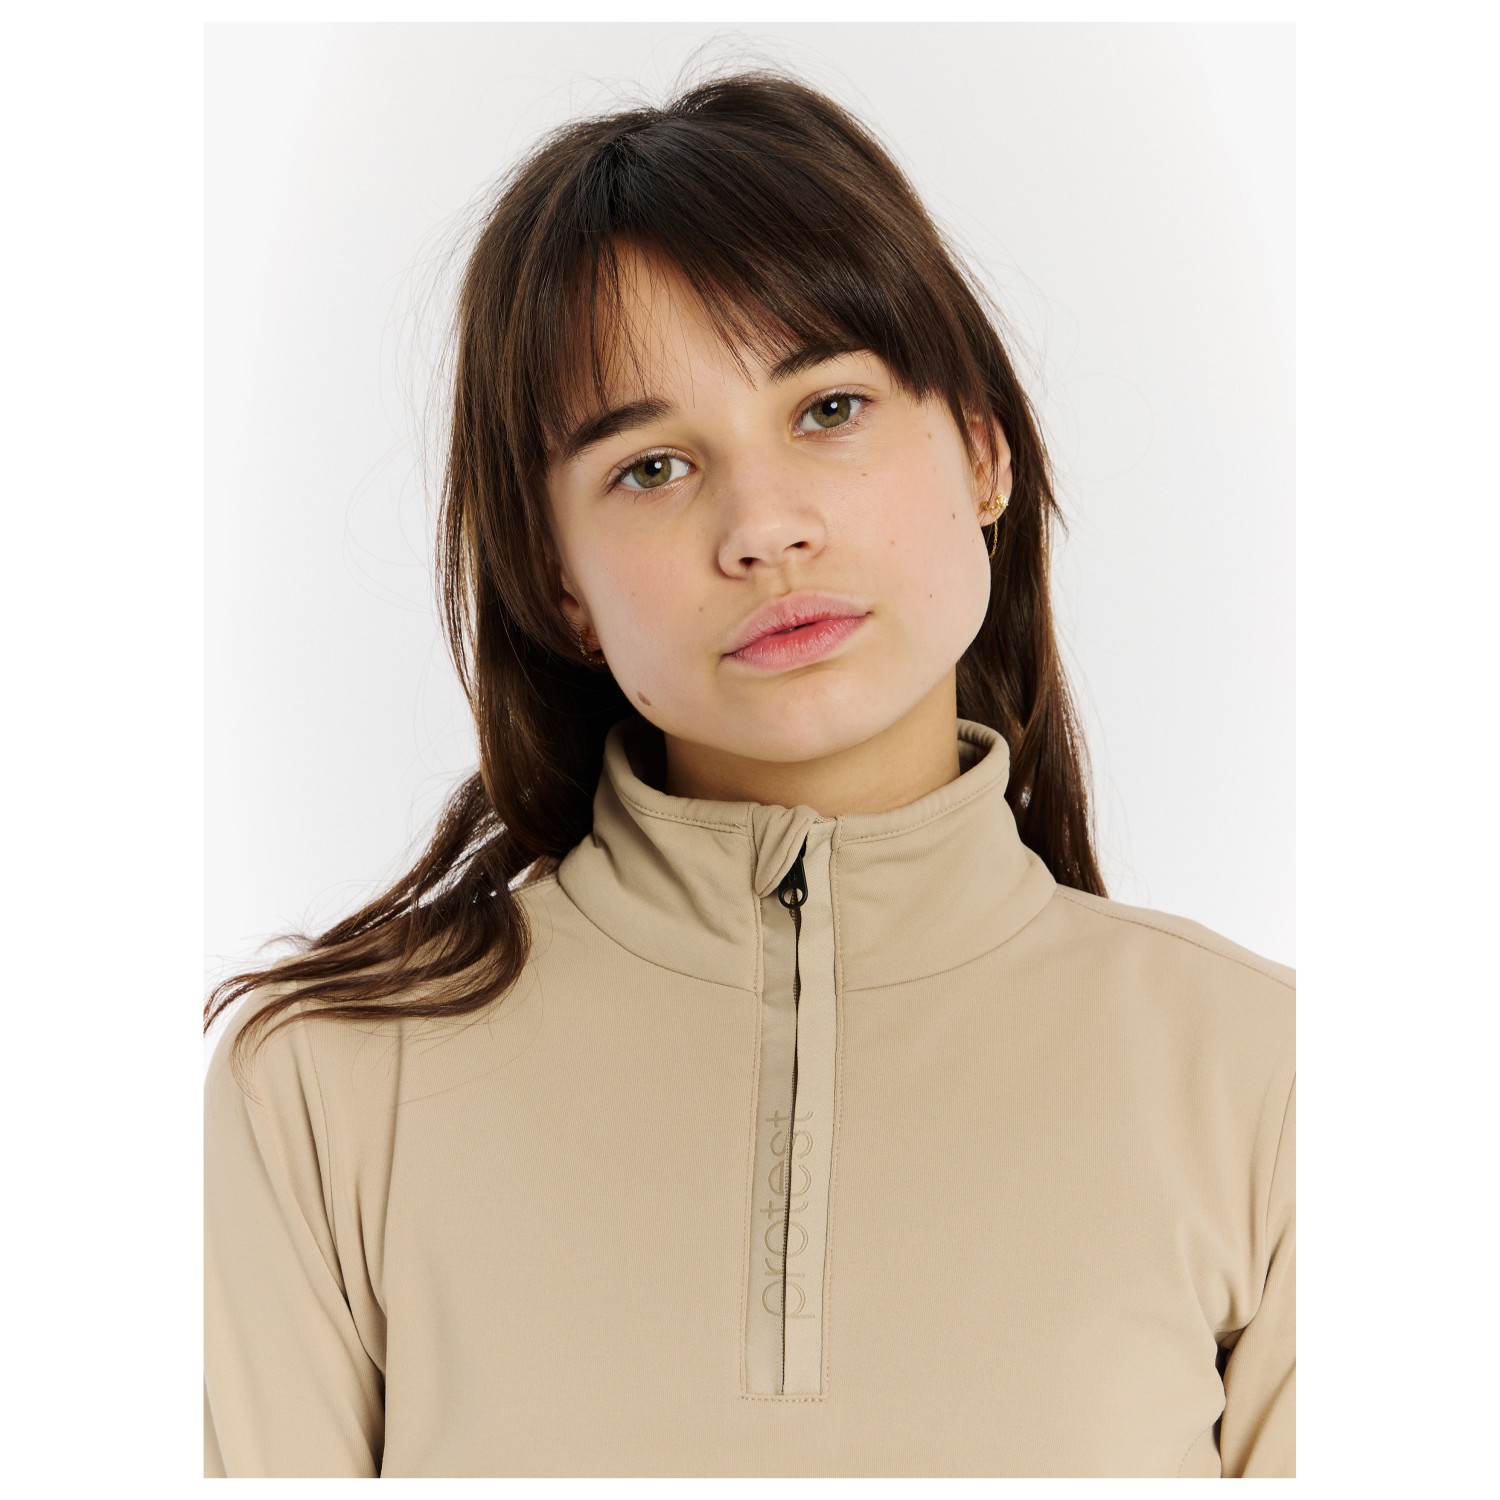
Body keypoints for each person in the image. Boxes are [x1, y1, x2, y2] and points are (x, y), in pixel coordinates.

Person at [203, 66, 1293, 1479]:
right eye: (652, 468)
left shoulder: (1274, 1082)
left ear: (981, 449)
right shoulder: (325, 1093)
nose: (764, 527)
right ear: (559, 580)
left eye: (829, 408)